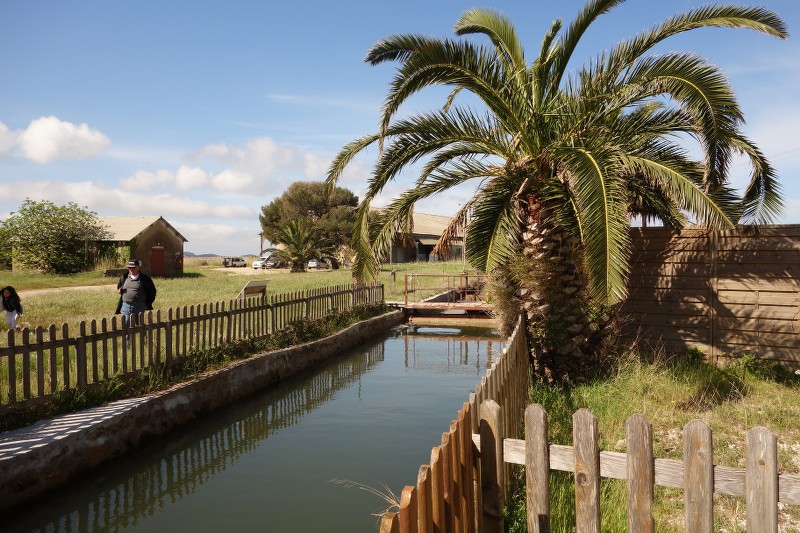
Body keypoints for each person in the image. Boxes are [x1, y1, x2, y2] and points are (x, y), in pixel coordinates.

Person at [115, 259, 157, 329]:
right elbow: (119, 287)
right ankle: (127, 340)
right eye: (129, 268)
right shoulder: (124, 277)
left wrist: (147, 304)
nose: (131, 269)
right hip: (126, 306)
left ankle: (144, 339)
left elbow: (152, 292)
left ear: (138, 267)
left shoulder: (145, 279)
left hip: (139, 306)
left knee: (141, 327)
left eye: (133, 267)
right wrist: (119, 290)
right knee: (126, 328)